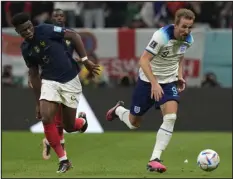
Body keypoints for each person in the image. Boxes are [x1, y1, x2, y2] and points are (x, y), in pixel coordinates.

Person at [106, 8, 195, 173]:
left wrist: (179, 75)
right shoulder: (161, 36)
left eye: (190, 27)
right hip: (148, 81)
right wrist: (154, 83)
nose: (187, 31)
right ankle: (119, 110)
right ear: (175, 24)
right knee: (134, 124)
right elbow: (144, 60)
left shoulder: (188, 40)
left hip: (168, 82)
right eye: (183, 26)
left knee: (170, 117)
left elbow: (179, 56)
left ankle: (155, 159)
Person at [12, 12, 99, 173]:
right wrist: (38, 102)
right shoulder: (26, 49)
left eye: (29, 27)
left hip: (70, 80)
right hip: (50, 82)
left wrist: (86, 61)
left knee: (69, 127)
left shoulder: (45, 30)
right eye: (24, 30)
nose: (29, 31)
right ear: (18, 32)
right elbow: (33, 74)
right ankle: (63, 160)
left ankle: (81, 122)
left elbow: (73, 36)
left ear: (32, 24)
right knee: (46, 118)